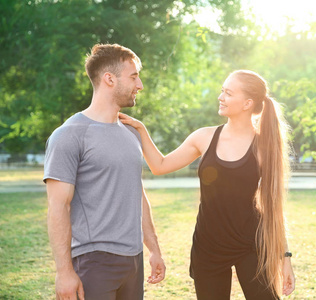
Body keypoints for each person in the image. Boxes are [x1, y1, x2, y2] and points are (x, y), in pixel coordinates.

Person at [119, 70, 295, 299]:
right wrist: (141, 129)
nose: (220, 97)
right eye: (222, 90)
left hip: (251, 244)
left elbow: (273, 207)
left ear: (247, 103)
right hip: (208, 246)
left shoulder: (264, 146)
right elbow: (159, 165)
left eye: (228, 93)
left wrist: (285, 258)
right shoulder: (204, 137)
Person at [44, 43, 166, 300]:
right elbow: (58, 206)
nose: (140, 85)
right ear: (109, 79)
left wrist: (154, 249)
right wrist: (64, 272)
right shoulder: (68, 135)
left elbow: (137, 193)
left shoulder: (132, 132)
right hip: (94, 261)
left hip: (134, 260)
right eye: (133, 76)